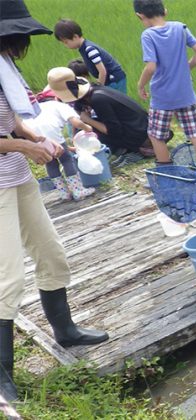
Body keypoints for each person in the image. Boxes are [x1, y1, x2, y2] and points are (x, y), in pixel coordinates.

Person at [0, 0, 109, 402]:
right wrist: (22, 147)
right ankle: (3, 373)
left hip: (15, 176)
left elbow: (9, 118)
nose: (19, 43)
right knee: (7, 276)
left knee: (51, 254)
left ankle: (65, 330)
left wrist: (34, 138)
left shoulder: (3, 65)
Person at [133, 0, 196, 170]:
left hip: (163, 96)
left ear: (140, 15)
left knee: (156, 135)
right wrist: (185, 68)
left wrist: (140, 85)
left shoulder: (148, 35)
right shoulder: (180, 27)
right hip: (185, 93)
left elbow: (151, 66)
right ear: (165, 11)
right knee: (195, 133)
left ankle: (166, 171)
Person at [46, 66, 151, 166]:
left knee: (91, 134)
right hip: (142, 128)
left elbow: (113, 131)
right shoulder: (95, 90)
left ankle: (132, 151)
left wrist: (87, 120)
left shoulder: (97, 99)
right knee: (88, 129)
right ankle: (126, 150)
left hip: (142, 136)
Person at [23, 87, 95, 200]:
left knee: (50, 163)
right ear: (57, 97)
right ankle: (78, 190)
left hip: (33, 136)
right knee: (66, 160)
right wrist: (87, 127)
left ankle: (64, 193)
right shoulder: (58, 105)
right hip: (51, 134)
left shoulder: (34, 108)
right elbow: (76, 122)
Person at [53, 19, 128, 94]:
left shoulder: (89, 49)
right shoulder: (84, 48)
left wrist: (99, 87)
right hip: (110, 80)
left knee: (117, 102)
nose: (66, 45)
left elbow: (102, 71)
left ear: (75, 37)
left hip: (114, 80)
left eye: (66, 42)